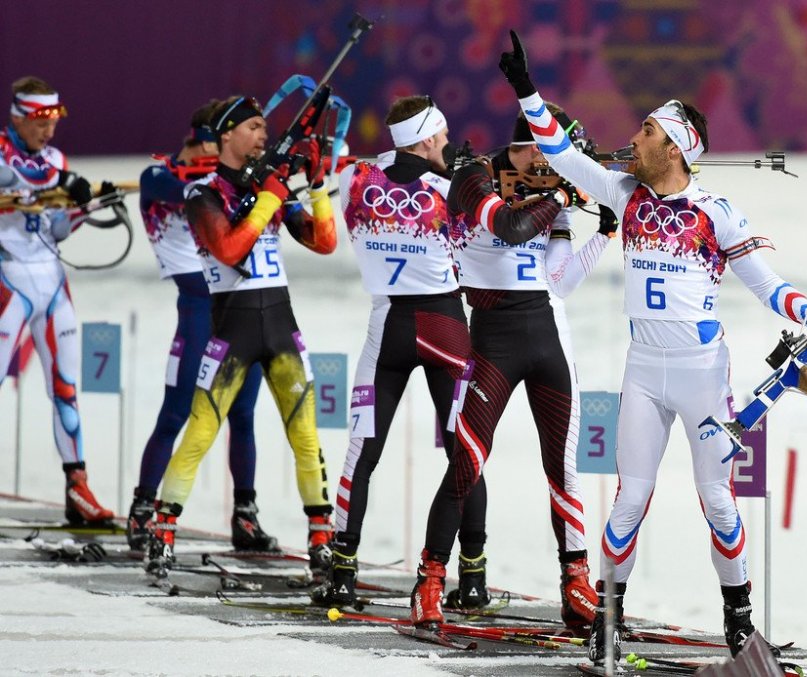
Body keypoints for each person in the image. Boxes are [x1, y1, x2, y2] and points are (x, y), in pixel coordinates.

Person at [497, 31, 807, 662]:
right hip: (643, 371)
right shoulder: (624, 196)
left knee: (717, 500)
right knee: (630, 496)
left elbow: (769, 288)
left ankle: (739, 624)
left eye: (651, 130)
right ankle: (607, 622)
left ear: (676, 148)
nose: (638, 135)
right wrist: (527, 90)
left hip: (703, 373)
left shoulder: (716, 211)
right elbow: (564, 157)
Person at [409, 99, 617, 632]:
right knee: (466, 464)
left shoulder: (546, 189)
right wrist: (561, 194)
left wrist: (598, 230)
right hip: (493, 344)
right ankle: (430, 581)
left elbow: (560, 279)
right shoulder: (471, 176)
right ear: (526, 147)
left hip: (544, 337)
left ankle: (575, 586)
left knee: (565, 470)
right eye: (549, 154)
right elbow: (510, 228)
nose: (555, 166)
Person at [145, 95, 337, 578]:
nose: (262, 135)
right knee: (201, 432)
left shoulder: (267, 187)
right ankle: (161, 532)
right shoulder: (203, 194)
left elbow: (325, 242)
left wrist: (314, 187)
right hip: (231, 329)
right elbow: (228, 248)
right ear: (226, 135)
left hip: (281, 325)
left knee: (306, 436)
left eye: (264, 128)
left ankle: (322, 540)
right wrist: (271, 196)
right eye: (253, 127)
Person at [311, 96, 490, 607]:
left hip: (386, 325)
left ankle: (341, 575)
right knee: (465, 452)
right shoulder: (452, 188)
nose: (449, 143)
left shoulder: (356, 177)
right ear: (430, 137)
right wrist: (475, 174)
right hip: (444, 327)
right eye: (445, 135)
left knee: (360, 454)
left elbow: (340, 162)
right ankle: (472, 578)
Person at [127, 102, 271, 554]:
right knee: (175, 414)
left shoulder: (226, 186)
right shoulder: (159, 177)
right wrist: (226, 177)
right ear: (209, 140)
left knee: (243, 416)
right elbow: (176, 188)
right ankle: (142, 512)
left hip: (236, 313)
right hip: (195, 313)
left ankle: (245, 516)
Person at [0, 76, 114, 524]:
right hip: (8, 282)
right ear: (18, 117)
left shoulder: (54, 160)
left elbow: (55, 229)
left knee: (66, 389)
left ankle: (77, 488)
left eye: (53, 120)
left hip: (51, 282)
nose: (48, 130)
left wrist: (83, 205)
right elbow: (16, 176)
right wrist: (62, 180)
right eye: (40, 121)